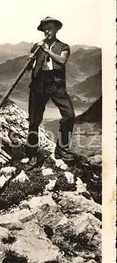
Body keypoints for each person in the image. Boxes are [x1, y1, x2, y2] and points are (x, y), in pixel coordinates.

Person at [26, 16, 75, 166]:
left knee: (69, 115)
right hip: (38, 84)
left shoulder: (63, 47)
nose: (48, 31)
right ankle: (31, 154)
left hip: (56, 84)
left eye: (51, 27)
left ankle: (62, 149)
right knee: (34, 121)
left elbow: (62, 60)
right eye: (46, 28)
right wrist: (29, 59)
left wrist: (46, 50)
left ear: (56, 29)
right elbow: (29, 67)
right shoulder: (37, 46)